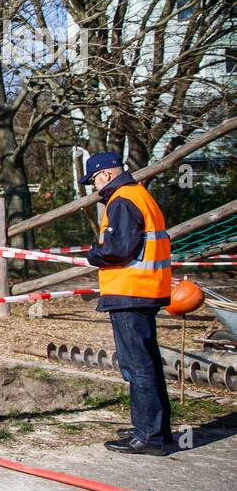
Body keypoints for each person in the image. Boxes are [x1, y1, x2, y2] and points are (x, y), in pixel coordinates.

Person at [80, 152, 173, 455]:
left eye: (94, 180)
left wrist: (94, 253)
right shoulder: (141, 195)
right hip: (147, 289)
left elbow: (117, 250)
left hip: (130, 291)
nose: (95, 187)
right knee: (148, 363)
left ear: (105, 174)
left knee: (137, 365)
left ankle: (148, 436)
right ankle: (156, 430)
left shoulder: (122, 200)